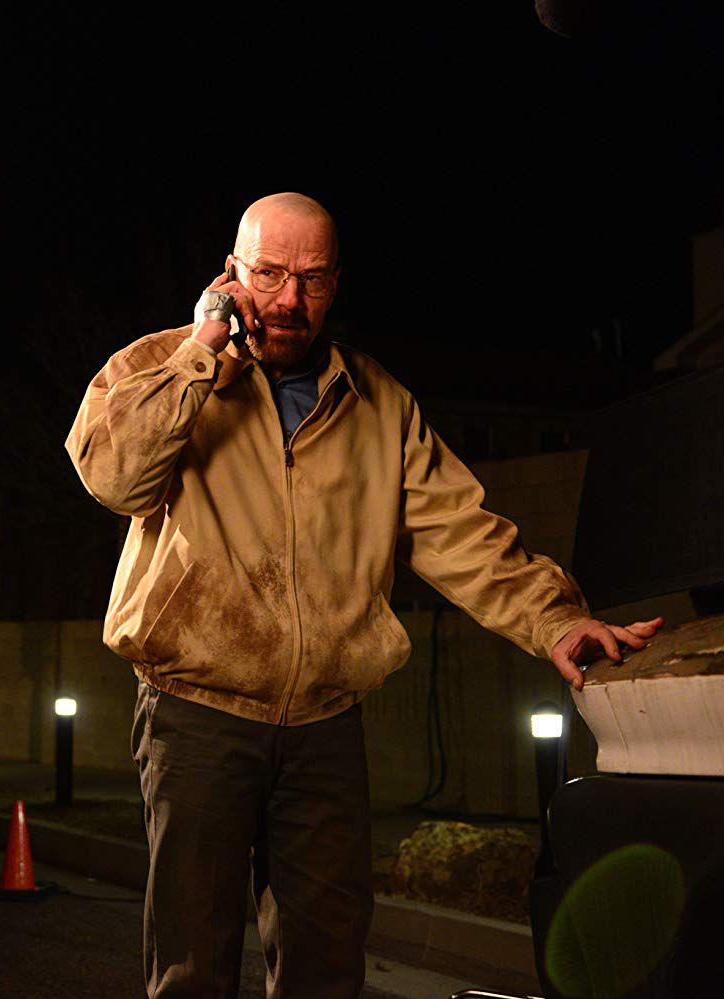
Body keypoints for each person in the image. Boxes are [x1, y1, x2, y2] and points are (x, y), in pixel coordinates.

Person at [63, 192, 665, 998]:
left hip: (325, 724)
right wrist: (204, 350)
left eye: (311, 278)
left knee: (327, 964)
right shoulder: (159, 366)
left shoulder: (379, 403)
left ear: (335, 284)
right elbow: (113, 476)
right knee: (192, 965)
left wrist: (553, 618)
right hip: (196, 712)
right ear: (231, 272)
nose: (290, 298)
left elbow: (459, 529)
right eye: (269, 273)